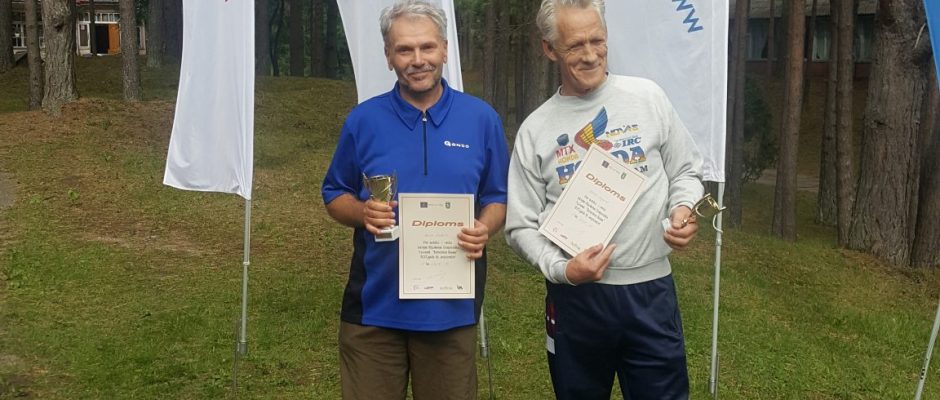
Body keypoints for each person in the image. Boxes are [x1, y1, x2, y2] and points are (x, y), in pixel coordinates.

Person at [504, 0, 704, 399]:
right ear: (549, 49)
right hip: (576, 300)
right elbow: (520, 225)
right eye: (576, 45)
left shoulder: (647, 98)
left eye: (597, 40)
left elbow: (686, 171)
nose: (591, 54)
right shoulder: (535, 130)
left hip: (650, 292)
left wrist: (682, 209)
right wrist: (562, 269)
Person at [321, 1, 509, 399]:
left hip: (450, 311)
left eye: (427, 47)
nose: (418, 60)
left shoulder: (481, 120)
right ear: (388, 56)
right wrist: (362, 211)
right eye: (404, 49)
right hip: (374, 311)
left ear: (445, 49)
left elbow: (498, 196)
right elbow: (334, 194)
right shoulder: (363, 121)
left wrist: (485, 227)